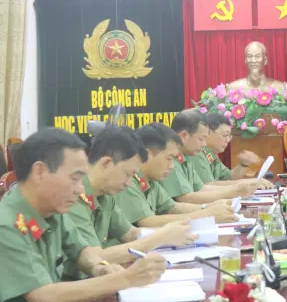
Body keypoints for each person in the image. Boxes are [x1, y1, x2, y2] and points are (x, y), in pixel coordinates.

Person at [0, 128, 166, 302]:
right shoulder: (7, 225)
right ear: (39, 171)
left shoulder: (51, 207)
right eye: (74, 178)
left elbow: (80, 250)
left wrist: (99, 267)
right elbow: (43, 295)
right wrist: (126, 279)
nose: (80, 189)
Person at [63, 126, 197, 280]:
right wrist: (159, 238)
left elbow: (130, 234)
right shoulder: (73, 196)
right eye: (127, 174)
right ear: (106, 163)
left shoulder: (105, 194)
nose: (128, 183)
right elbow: (95, 257)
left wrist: (170, 233)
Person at [115, 123, 238, 228]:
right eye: (169, 158)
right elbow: (147, 222)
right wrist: (206, 214)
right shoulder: (128, 181)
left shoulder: (151, 180)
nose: (172, 166)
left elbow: (172, 207)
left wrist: (208, 207)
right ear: (148, 155)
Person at [159, 110, 257, 204]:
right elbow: (185, 198)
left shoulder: (185, 156)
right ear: (184, 135)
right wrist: (234, 191)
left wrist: (238, 188)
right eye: (201, 139)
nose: (204, 144)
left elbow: (202, 188)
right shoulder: (170, 159)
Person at [188, 113, 271, 187]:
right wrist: (251, 182)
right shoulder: (196, 153)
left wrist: (244, 164)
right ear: (207, 133)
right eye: (225, 135)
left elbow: (229, 177)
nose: (228, 140)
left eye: (229, 136)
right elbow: (208, 186)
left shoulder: (211, 153)